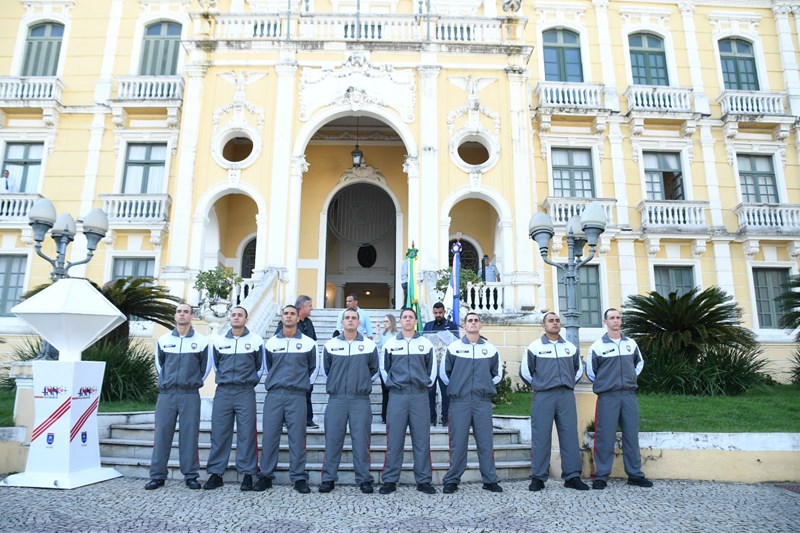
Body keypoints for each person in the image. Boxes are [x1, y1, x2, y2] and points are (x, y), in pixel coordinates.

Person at [145, 303, 212, 491]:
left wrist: (192, 382)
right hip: (166, 395)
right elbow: (160, 365)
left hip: (189, 394)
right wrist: (168, 381)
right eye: (179, 311)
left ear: (191, 316)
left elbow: (205, 368)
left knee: (190, 435)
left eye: (186, 312)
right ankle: (157, 476)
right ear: (175, 316)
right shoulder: (164, 340)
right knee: (162, 435)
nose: (182, 315)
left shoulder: (201, 341)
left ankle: (190, 475)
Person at [520, 312, 589, 492]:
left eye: (557, 320)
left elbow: (578, 370)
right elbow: (526, 372)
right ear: (544, 325)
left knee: (569, 435)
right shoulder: (534, 347)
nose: (555, 323)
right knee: (541, 436)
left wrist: (568, 384)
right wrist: (539, 385)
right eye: (551, 321)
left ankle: (572, 476)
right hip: (543, 396)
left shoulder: (570, 347)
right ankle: (538, 477)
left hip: (566, 395)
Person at [586, 308, 654, 490]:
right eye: (612, 318)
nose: (616, 321)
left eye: (618, 318)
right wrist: (607, 383)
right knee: (605, 437)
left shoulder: (630, 344)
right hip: (608, 396)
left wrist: (630, 377)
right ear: (605, 321)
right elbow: (591, 372)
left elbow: (638, 363)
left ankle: (635, 474)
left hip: (629, 396)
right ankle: (601, 476)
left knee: (631, 436)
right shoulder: (597, 347)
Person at [255, 304, 318, 494]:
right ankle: (265, 476)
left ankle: (299, 477)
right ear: (282, 317)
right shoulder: (271, 343)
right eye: (286, 313)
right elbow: (267, 367)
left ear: (299, 318)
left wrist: (302, 385)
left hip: (297, 396)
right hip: (274, 395)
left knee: (298, 438)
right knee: (270, 437)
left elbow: (313, 369)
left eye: (292, 314)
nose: (289, 316)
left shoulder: (309, 343)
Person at [203, 306, 266, 491]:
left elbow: (260, 367)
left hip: (245, 391)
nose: (236, 317)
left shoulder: (255, 341)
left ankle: (247, 474)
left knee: (247, 433)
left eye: (240, 315)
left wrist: (250, 382)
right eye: (234, 315)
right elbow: (215, 365)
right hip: (223, 392)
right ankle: (216, 473)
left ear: (246, 319)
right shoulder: (220, 341)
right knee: (219, 432)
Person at [440, 312, 503, 494]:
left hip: (482, 401)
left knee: (485, 442)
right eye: (470, 321)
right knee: (458, 442)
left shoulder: (491, 349)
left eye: (476, 320)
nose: (473, 323)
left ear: (480, 325)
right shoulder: (453, 348)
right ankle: (452, 479)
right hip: (460, 402)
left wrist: (485, 385)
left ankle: (490, 480)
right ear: (464, 326)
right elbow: (445, 374)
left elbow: (497, 374)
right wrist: (458, 387)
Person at [319, 307, 379, 494]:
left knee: (361, 441)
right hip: (336, 399)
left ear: (359, 323)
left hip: (360, 399)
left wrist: (360, 383)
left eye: (354, 318)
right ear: (342, 322)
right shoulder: (330, 345)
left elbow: (375, 370)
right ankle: (328, 478)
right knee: (332, 440)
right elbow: (325, 370)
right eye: (347, 318)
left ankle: (364, 479)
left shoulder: (369, 346)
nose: (351, 321)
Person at [378, 308, 437, 495]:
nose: (408, 320)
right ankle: (389, 480)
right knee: (394, 439)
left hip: (419, 396)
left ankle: (424, 480)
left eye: (411, 317)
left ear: (415, 322)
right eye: (405, 317)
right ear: (400, 321)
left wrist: (426, 384)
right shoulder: (390, 344)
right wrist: (392, 385)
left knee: (421, 440)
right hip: (397, 396)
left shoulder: (426, 344)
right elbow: (384, 368)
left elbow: (432, 369)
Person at [275, 295, 319, 428]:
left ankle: (307, 420)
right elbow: (277, 342)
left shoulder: (309, 322)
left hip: (305, 367)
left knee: (308, 393)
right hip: (288, 366)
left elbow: (314, 344)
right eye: (310, 305)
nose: (312, 308)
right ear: (303, 307)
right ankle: (284, 419)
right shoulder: (285, 324)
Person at [423, 302, 458, 426]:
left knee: (446, 392)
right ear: (433, 312)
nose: (438, 315)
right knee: (429, 393)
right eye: (435, 313)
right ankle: (431, 418)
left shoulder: (452, 326)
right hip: (431, 364)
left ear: (444, 312)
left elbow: (456, 343)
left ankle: (445, 419)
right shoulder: (427, 326)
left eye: (440, 313)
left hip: (445, 364)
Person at [374, 313, 397, 424]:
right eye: (384, 321)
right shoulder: (382, 334)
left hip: (394, 365)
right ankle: (385, 416)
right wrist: (377, 331)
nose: (384, 323)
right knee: (385, 392)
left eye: (386, 321)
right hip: (384, 365)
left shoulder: (396, 335)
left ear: (391, 322)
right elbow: (377, 343)